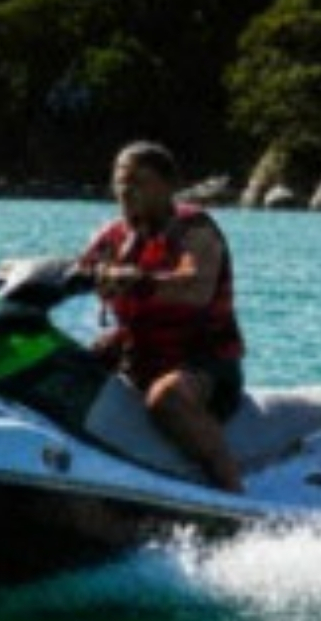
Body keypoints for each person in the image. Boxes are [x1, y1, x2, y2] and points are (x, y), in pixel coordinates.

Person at [76, 141, 249, 491]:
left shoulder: (195, 230)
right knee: (63, 368)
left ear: (168, 186)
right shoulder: (113, 237)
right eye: (120, 180)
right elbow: (77, 271)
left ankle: (235, 494)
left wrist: (138, 280)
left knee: (165, 398)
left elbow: (195, 286)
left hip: (204, 363)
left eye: (139, 180)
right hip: (137, 356)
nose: (126, 189)